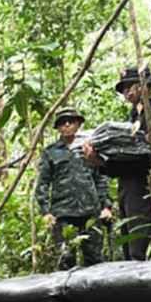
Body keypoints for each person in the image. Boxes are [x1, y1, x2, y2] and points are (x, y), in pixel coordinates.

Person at [84, 67, 151, 261]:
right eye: (123, 89)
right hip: (126, 188)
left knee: (138, 250)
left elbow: (147, 161)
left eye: (130, 87)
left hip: (144, 187)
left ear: (144, 87)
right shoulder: (134, 119)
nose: (126, 92)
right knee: (129, 249)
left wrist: (102, 162)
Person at [35, 107, 112, 270]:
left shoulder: (89, 149)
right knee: (65, 260)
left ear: (79, 124)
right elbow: (43, 182)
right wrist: (46, 212)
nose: (67, 125)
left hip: (91, 212)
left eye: (71, 121)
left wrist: (106, 206)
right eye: (63, 122)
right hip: (63, 214)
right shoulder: (50, 152)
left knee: (95, 261)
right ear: (58, 127)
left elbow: (101, 177)